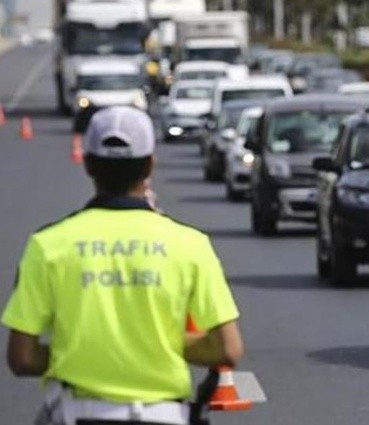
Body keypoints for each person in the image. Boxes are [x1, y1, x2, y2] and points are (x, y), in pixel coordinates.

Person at [2, 106, 244, 425]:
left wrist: (79, 352)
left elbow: (22, 358)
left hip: (77, 414)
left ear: (88, 164)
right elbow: (227, 349)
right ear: (150, 165)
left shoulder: (48, 245)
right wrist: (156, 344)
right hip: (165, 415)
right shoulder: (190, 244)